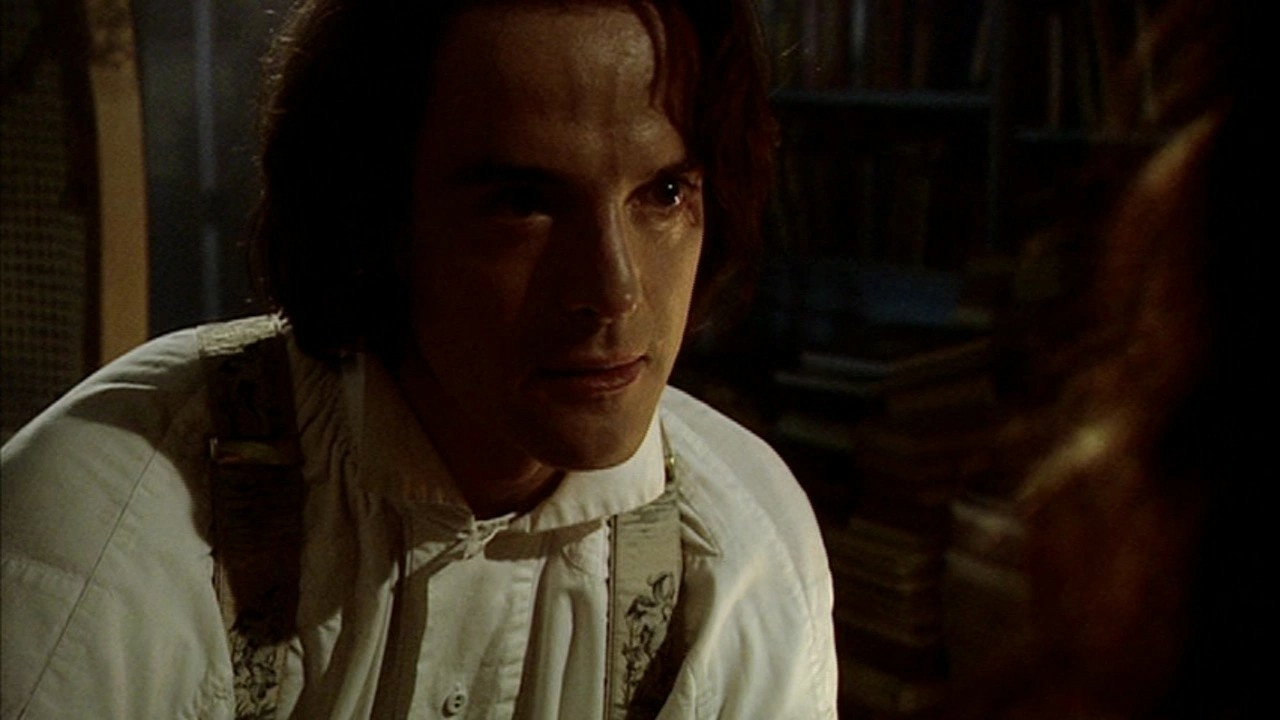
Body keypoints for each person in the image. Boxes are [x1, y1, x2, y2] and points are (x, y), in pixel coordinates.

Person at [0, 1, 838, 718]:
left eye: (664, 193)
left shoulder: (741, 554)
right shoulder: (98, 537)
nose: (614, 291)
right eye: (523, 203)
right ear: (376, 214)